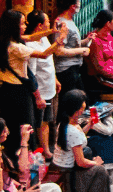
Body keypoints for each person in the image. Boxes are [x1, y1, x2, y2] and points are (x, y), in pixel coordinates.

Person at [0, 10, 63, 158]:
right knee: (25, 127)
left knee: (13, 126)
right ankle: (25, 160)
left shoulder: (5, 40)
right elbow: (43, 54)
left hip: (6, 90)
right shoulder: (15, 47)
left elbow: (30, 37)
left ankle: (16, 159)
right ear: (13, 26)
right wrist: (59, 40)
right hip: (18, 93)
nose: (25, 26)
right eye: (22, 23)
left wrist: (51, 31)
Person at [50, 90, 110, 192]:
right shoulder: (72, 130)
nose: (83, 111)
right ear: (76, 110)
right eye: (82, 108)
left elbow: (77, 139)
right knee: (101, 171)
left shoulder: (65, 123)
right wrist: (96, 163)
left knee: (88, 152)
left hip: (61, 165)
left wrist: (89, 126)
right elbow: (81, 162)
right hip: (67, 172)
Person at [25, 11, 60, 159]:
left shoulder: (44, 38)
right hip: (40, 90)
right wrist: (37, 95)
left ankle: (47, 148)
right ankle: (43, 150)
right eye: (47, 21)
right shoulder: (30, 45)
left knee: (47, 119)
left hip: (49, 86)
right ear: (40, 25)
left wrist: (55, 79)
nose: (49, 23)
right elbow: (31, 73)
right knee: (40, 122)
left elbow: (49, 61)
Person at [53, 0, 94, 100]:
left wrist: (86, 40)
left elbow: (71, 44)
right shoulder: (62, 23)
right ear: (73, 6)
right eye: (78, 2)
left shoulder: (69, 20)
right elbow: (59, 51)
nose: (79, 5)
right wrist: (82, 50)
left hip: (74, 67)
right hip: (66, 69)